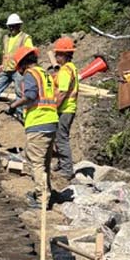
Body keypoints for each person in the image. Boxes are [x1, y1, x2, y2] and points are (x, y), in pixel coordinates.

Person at [6, 43, 58, 207]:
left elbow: (30, 95)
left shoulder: (30, 74)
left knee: (36, 163)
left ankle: (42, 200)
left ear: (22, 63)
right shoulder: (45, 73)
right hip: (50, 121)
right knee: (45, 163)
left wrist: (14, 105)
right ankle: (45, 193)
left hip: (38, 122)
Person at [0, 13, 33, 110]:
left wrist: (25, 67)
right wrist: (2, 64)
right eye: (10, 26)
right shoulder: (6, 38)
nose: (11, 28)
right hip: (6, 69)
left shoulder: (25, 37)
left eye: (13, 26)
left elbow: (30, 53)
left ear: (19, 25)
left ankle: (20, 110)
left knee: (19, 91)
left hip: (18, 69)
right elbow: (4, 52)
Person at [51, 35, 79, 188]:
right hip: (67, 108)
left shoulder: (66, 70)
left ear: (64, 55)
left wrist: (53, 108)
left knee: (61, 138)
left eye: (58, 54)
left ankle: (67, 170)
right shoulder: (69, 68)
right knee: (58, 137)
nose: (56, 57)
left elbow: (62, 92)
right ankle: (62, 164)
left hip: (65, 109)